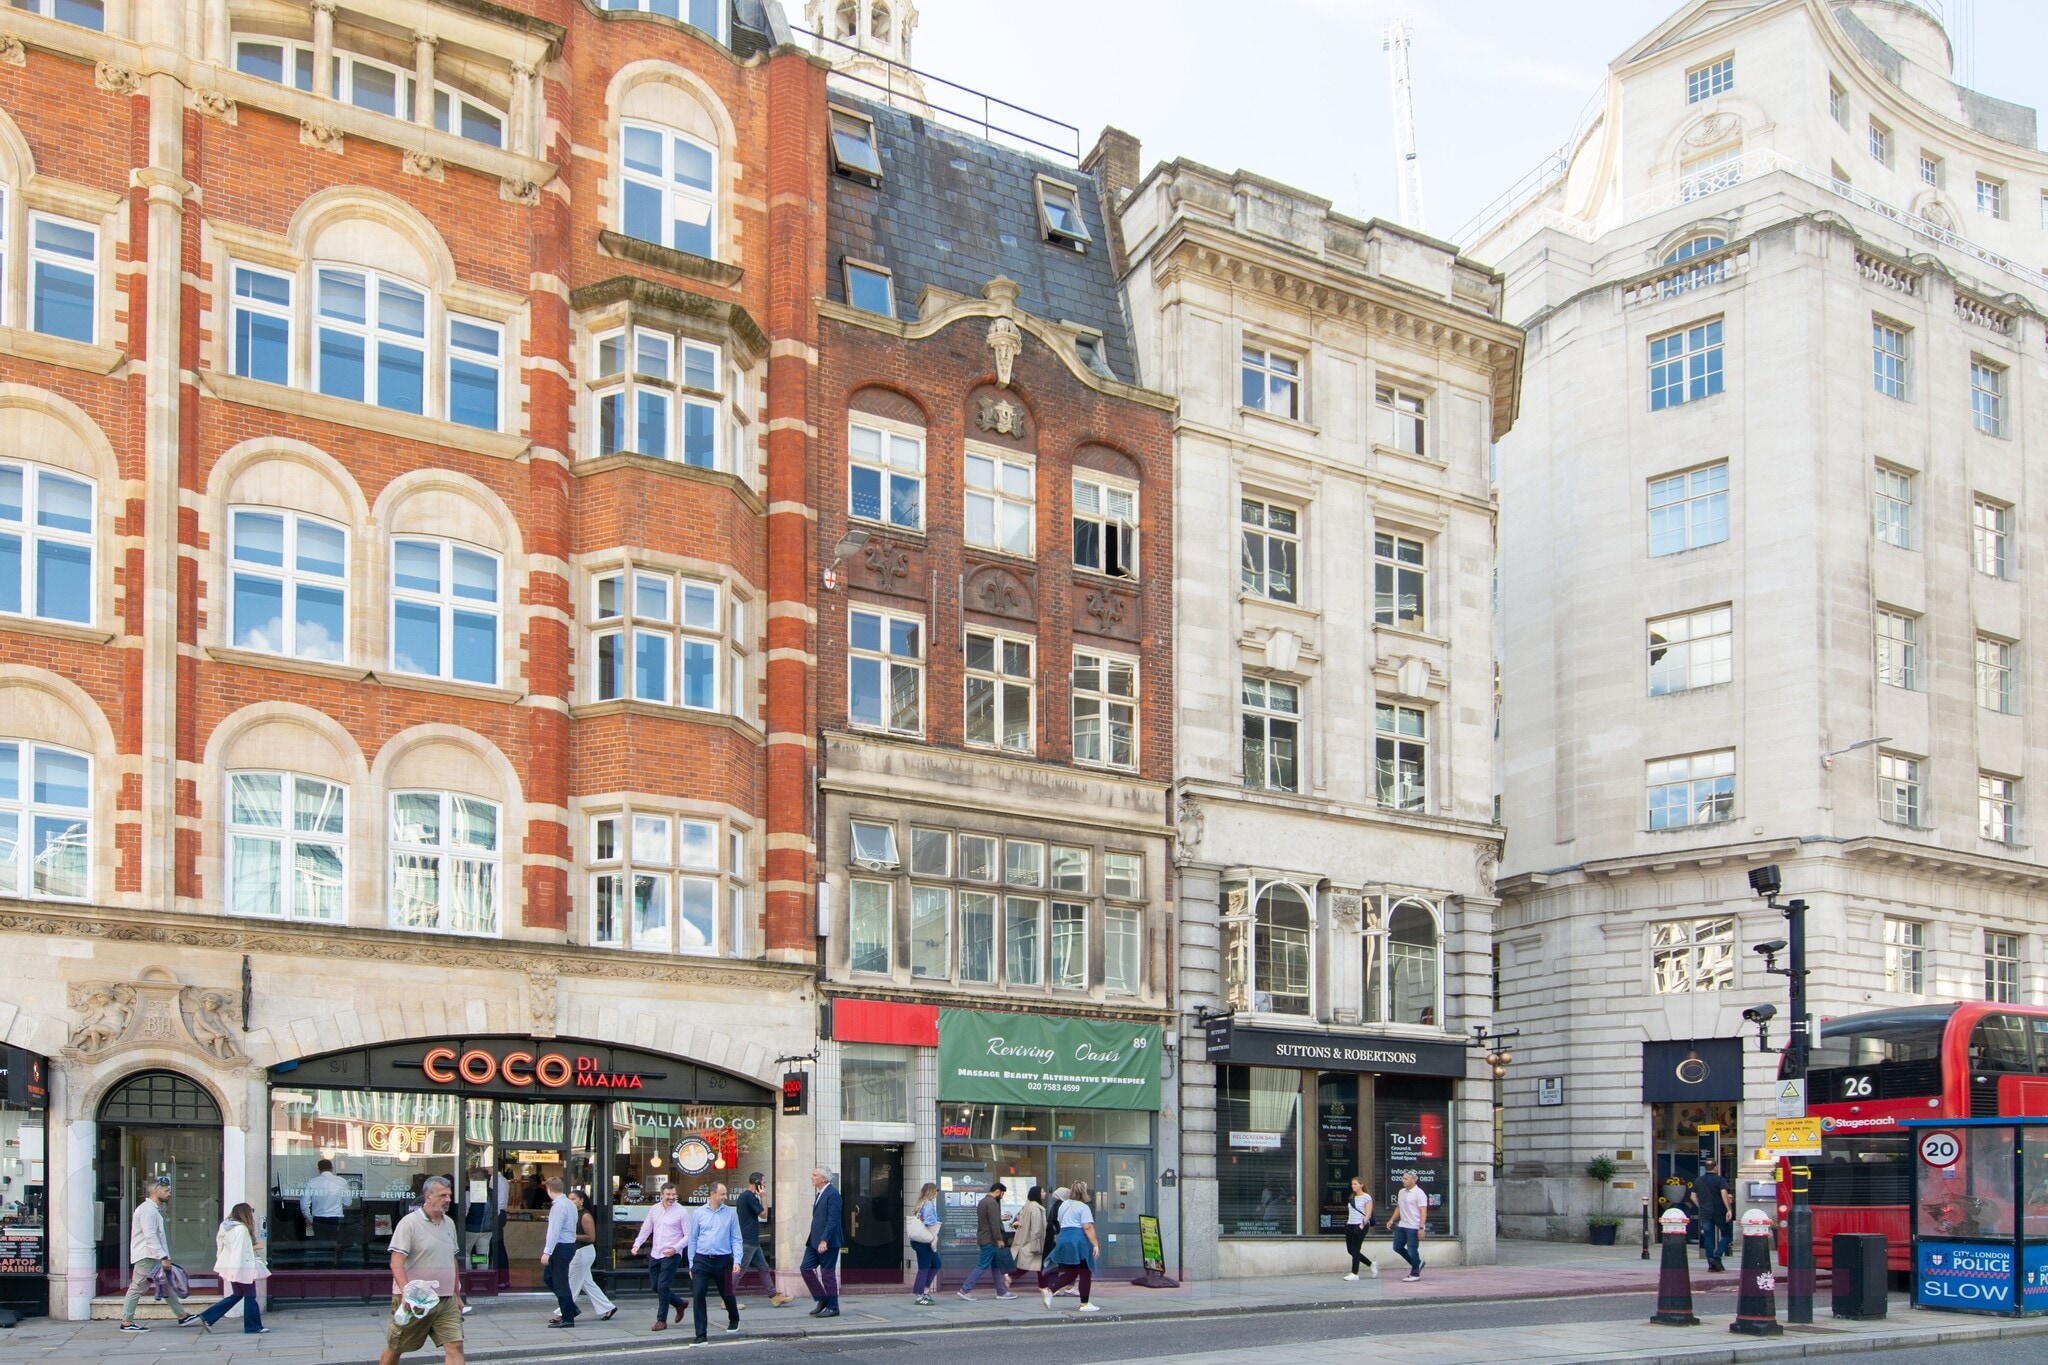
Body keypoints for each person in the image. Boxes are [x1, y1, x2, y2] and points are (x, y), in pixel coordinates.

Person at [378, 1175, 466, 1365]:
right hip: (416, 1299)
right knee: (396, 1347)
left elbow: (452, 1260)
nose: (448, 1199)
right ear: (428, 1196)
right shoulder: (409, 1223)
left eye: (449, 1195)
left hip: (446, 1299)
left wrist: (457, 1294)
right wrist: (406, 1294)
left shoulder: (449, 1223)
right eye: (443, 1195)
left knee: (455, 1345)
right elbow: (396, 1261)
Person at [118, 1175, 200, 1332]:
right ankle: (126, 1322)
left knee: (165, 1285)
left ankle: (182, 1315)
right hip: (147, 1256)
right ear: (156, 1191)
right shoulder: (147, 1210)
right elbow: (150, 1236)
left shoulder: (151, 1210)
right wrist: (163, 1257)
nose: (169, 1193)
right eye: (166, 1190)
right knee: (137, 1288)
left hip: (152, 1255)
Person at [199, 1203, 270, 1335]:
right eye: (251, 1211)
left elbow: (221, 1246)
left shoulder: (225, 1226)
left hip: (229, 1265)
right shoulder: (241, 1229)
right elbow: (240, 1251)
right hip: (242, 1267)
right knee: (250, 1296)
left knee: (237, 1295)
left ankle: (208, 1316)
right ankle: (253, 1326)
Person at [547, 1191, 617, 1324]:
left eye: (574, 1199)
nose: (571, 1201)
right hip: (578, 1252)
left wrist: (571, 1235)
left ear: (581, 1201)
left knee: (572, 1283)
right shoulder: (572, 1213)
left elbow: (591, 1237)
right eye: (569, 1199)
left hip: (583, 1252)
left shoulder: (585, 1216)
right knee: (587, 1283)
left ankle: (562, 1312)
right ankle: (607, 1307)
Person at [687, 1182, 744, 1345]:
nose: (725, 1197)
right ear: (712, 1194)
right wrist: (691, 1263)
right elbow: (693, 1239)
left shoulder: (731, 1214)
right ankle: (701, 1335)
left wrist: (737, 1260)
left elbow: (736, 1238)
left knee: (727, 1293)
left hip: (723, 1259)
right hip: (702, 1259)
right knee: (698, 1295)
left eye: (725, 1194)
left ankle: (734, 1318)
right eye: (722, 1194)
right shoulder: (698, 1213)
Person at [631, 1182, 691, 1332]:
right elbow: (646, 1229)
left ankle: (661, 1320)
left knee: (663, 1286)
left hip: (672, 1254)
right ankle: (679, 1303)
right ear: (661, 1195)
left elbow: (689, 1236)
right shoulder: (654, 1210)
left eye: (673, 1194)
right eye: (668, 1194)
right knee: (655, 1286)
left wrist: (675, 1248)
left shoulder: (681, 1212)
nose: (671, 1197)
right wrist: (637, 1244)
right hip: (655, 1253)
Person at [1039, 1180, 1099, 1312]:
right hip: (1078, 1242)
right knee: (1085, 1272)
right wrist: (1095, 1245)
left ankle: (1050, 1290)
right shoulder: (1084, 1207)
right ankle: (1084, 1304)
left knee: (1071, 1272)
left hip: (1064, 1239)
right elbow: (1087, 1227)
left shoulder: (1063, 1205)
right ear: (1084, 1192)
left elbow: (1060, 1224)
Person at [957, 1182, 1017, 1299]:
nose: (1002, 1197)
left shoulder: (983, 1201)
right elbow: (994, 1223)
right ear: (998, 1191)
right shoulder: (992, 1203)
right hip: (990, 1240)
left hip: (984, 1237)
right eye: (1002, 1194)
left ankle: (1001, 1292)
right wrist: (999, 1239)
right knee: (983, 1265)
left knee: (995, 1266)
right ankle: (965, 1289)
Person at [801, 1167, 843, 1318]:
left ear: (823, 1179)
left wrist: (824, 1240)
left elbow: (833, 1220)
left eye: (814, 1175)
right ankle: (822, 1299)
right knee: (805, 1268)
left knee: (827, 1274)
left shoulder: (833, 1195)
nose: (811, 1177)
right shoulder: (820, 1193)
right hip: (814, 1241)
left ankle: (833, 1307)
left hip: (828, 1242)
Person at [539, 1176, 579, 1328]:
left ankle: (568, 1318)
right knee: (548, 1277)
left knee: (560, 1282)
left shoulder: (558, 1207)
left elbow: (554, 1231)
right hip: (568, 1245)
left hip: (560, 1246)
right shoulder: (569, 1204)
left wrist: (547, 1252)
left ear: (548, 1190)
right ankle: (570, 1308)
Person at [733, 1171, 778, 1303]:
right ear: (757, 1183)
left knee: (763, 1267)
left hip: (752, 1239)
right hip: (748, 1239)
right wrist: (763, 1197)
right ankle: (727, 1297)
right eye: (763, 1184)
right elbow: (763, 1214)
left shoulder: (743, 1196)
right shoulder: (750, 1197)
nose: (764, 1187)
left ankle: (773, 1295)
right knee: (740, 1269)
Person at [301, 1158, 355, 1264]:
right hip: (336, 1218)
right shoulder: (341, 1181)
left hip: (318, 1219)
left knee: (321, 1247)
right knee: (336, 1246)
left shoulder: (312, 1182)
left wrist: (310, 1218)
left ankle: (322, 1269)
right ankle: (334, 1268)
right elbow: (348, 1202)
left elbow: (304, 1204)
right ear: (332, 1168)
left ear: (319, 1169)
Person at [1688, 1158, 1735, 1272]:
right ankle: (1717, 1255)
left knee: (1708, 1237)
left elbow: (1692, 1196)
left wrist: (1700, 1206)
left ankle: (1711, 1263)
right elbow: (1724, 1195)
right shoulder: (1720, 1180)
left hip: (1705, 1212)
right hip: (1719, 1211)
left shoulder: (1698, 1180)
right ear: (1715, 1167)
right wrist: (1729, 1209)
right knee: (1727, 1234)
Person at [1387, 1171, 1428, 1281]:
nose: (1403, 1180)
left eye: (1405, 1179)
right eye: (1403, 1178)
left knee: (1412, 1250)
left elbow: (1423, 1211)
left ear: (1413, 1180)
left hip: (1414, 1226)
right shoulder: (1401, 1192)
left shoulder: (1419, 1193)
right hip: (1402, 1225)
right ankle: (1417, 1263)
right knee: (1397, 1247)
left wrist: (1421, 1227)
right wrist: (1392, 1219)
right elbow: (1399, 1207)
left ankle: (1415, 1274)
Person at [908, 1181, 943, 1304]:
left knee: (936, 1264)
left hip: (919, 1241)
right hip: (925, 1241)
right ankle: (919, 1294)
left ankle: (925, 1290)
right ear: (931, 1191)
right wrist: (934, 1238)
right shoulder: (928, 1204)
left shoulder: (920, 1204)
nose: (937, 1192)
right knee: (924, 1267)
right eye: (936, 1190)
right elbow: (929, 1222)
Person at [1009, 1186, 1047, 1289]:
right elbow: (1036, 1228)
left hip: (1027, 1240)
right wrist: (1037, 1244)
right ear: (1037, 1194)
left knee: (1037, 1265)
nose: (1045, 1193)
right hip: (1033, 1242)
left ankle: (1043, 1285)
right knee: (1030, 1265)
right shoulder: (1036, 1208)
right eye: (1043, 1191)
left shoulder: (1027, 1206)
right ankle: (1009, 1277)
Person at [1343, 1177, 1377, 1280]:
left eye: (1355, 1184)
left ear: (1361, 1185)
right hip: (1350, 1224)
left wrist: (1362, 1225)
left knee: (1356, 1249)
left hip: (1360, 1224)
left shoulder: (1366, 1197)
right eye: (1352, 1184)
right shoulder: (1352, 1197)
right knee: (1350, 1250)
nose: (1353, 1186)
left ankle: (1354, 1274)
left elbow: (1368, 1213)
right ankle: (1371, 1264)